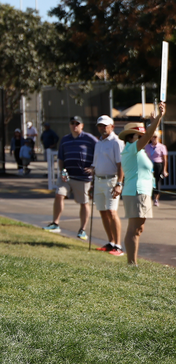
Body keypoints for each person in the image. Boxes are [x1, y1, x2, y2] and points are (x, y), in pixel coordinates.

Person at [120, 102, 166, 266]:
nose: (142, 138)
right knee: (134, 229)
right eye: (139, 136)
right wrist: (159, 118)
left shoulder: (135, 150)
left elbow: (148, 134)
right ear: (131, 137)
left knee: (138, 229)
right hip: (137, 192)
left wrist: (154, 121)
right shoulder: (132, 148)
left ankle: (132, 262)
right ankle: (132, 263)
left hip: (141, 192)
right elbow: (149, 135)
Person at [45, 115, 96, 239]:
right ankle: (55, 223)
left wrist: (93, 168)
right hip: (67, 176)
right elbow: (61, 158)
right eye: (72, 123)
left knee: (84, 203)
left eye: (77, 123)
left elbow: (100, 152)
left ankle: (82, 230)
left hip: (83, 177)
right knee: (59, 194)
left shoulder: (89, 139)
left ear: (82, 125)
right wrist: (62, 170)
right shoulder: (65, 139)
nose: (74, 125)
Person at [90, 115, 125, 256]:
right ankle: (111, 242)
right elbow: (96, 164)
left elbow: (120, 164)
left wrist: (119, 183)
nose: (102, 128)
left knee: (112, 212)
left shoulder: (116, 142)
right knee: (103, 212)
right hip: (98, 181)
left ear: (112, 126)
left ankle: (118, 245)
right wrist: (92, 183)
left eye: (105, 125)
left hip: (112, 181)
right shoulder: (98, 142)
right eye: (100, 125)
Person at [146, 125, 167, 205]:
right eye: (152, 137)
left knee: (157, 181)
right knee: (148, 180)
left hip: (158, 164)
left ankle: (156, 199)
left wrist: (164, 170)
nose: (154, 138)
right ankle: (148, 197)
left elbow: (165, 159)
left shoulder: (162, 147)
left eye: (155, 137)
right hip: (149, 164)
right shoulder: (147, 146)